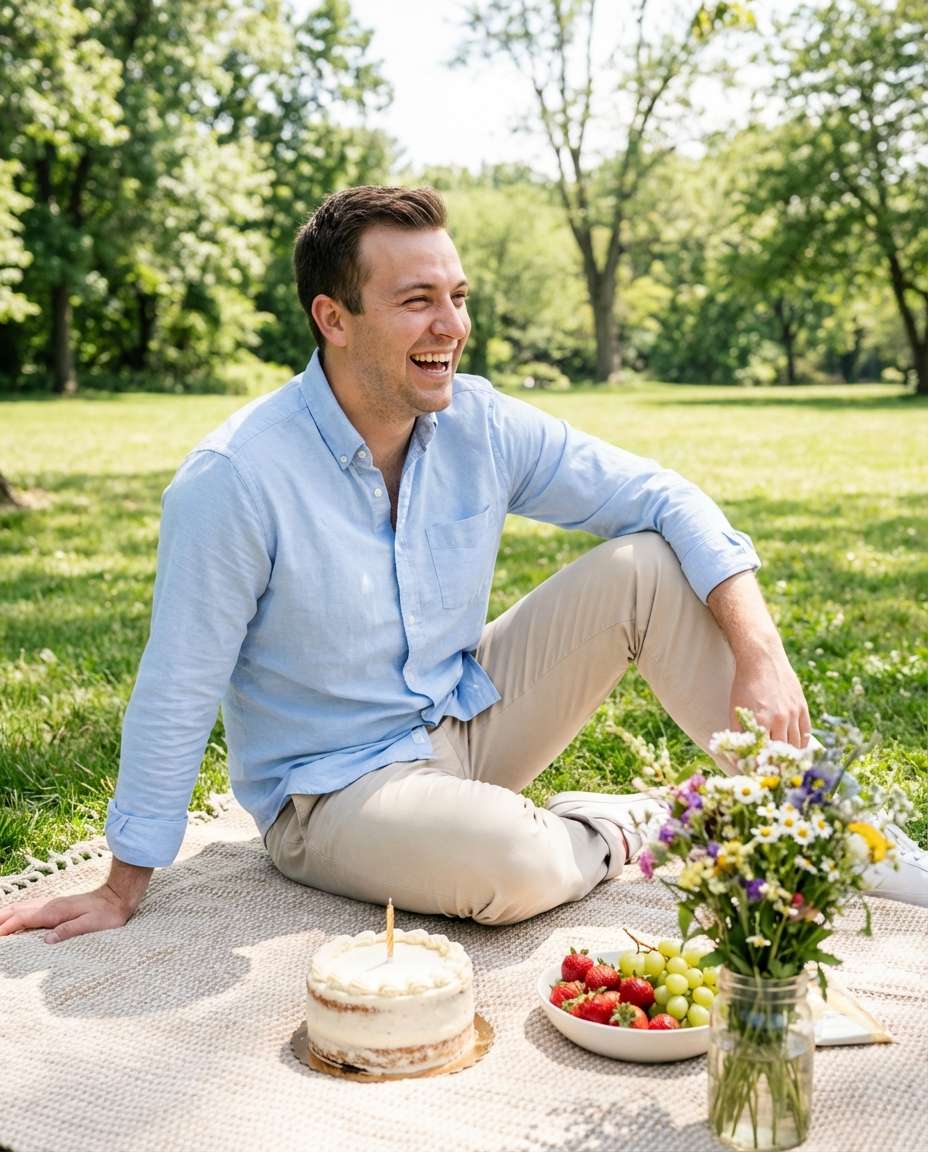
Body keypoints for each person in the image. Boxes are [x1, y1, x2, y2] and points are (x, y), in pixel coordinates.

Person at [2, 186, 925, 946]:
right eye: (417, 301)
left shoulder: (477, 421)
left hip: (466, 715)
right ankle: (634, 824)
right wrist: (121, 885)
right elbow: (177, 683)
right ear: (333, 318)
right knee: (514, 868)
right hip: (333, 794)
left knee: (649, 563)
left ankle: (823, 821)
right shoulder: (235, 479)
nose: (452, 324)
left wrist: (761, 653)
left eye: (458, 295)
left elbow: (665, 495)